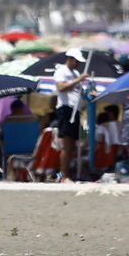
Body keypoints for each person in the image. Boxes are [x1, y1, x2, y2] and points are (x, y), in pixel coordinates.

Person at [51, 49, 91, 182]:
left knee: (72, 145)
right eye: (76, 61)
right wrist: (79, 79)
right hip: (65, 109)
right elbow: (61, 87)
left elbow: (77, 90)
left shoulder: (75, 73)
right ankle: (64, 176)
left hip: (75, 109)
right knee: (67, 146)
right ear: (69, 58)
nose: (78, 64)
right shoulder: (61, 71)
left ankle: (67, 173)